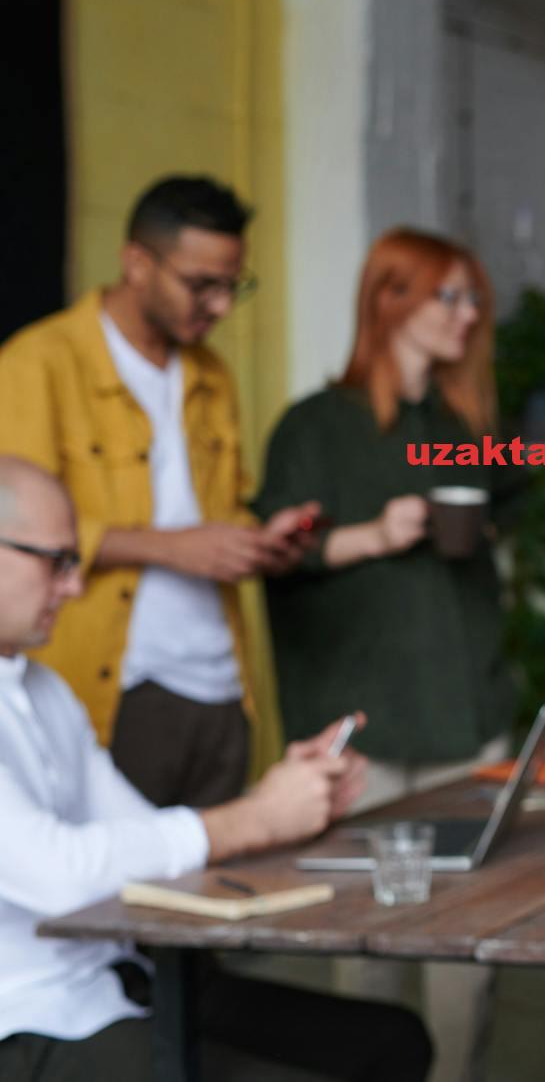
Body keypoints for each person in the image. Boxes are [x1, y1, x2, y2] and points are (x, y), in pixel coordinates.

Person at [0, 455, 432, 1082]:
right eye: (57, 561)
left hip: (124, 983)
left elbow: (149, 834)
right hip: (31, 1021)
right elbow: (57, 875)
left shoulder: (44, 690)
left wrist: (283, 801)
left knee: (392, 1041)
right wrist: (256, 818)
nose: (74, 584)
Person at [253, 228, 518, 1082]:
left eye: (474, 298)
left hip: (464, 717)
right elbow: (273, 556)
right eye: (450, 295)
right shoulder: (314, 426)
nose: (469, 314)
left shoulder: (462, 423)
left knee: (464, 961)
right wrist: (369, 535)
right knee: (366, 954)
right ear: (390, 299)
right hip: (362, 725)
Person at [0, 176, 319, 808]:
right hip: (117, 687)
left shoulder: (212, 375)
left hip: (223, 685)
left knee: (221, 886)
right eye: (203, 284)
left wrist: (258, 543)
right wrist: (174, 549)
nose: (222, 306)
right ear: (137, 264)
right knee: (121, 894)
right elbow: (17, 534)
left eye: (234, 285)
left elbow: (217, 510)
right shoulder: (38, 363)